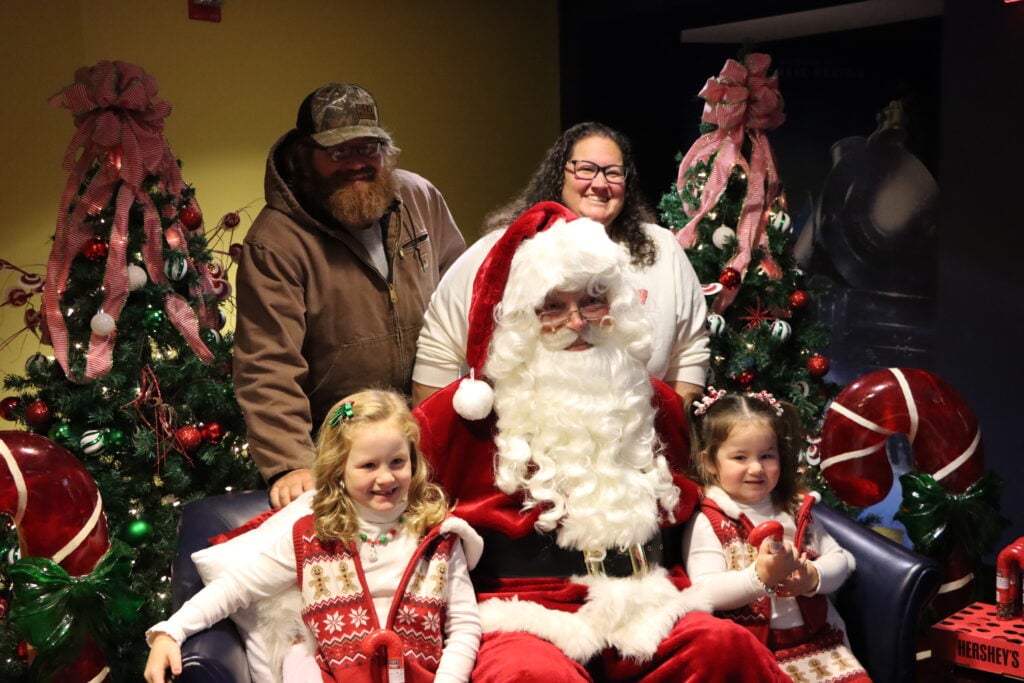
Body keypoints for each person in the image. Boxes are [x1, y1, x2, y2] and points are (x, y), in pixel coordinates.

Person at [413, 202, 788, 682]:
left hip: (647, 599)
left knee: (723, 647)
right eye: (553, 305)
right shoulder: (461, 416)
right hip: (522, 612)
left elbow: (706, 500)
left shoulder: (655, 403)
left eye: (593, 300)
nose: (576, 321)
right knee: (530, 677)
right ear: (522, 320)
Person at [144, 389, 483, 683]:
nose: (386, 478)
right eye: (368, 466)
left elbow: (464, 627)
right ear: (339, 471)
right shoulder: (312, 537)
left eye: (397, 462)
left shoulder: (439, 537)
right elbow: (235, 588)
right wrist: (171, 631)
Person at [234, 82, 466, 508]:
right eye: (339, 152)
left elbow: (462, 295)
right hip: (344, 450)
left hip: (431, 432)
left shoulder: (419, 197)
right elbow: (268, 364)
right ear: (305, 156)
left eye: (370, 148)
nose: (358, 163)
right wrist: (291, 464)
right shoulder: (276, 242)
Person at [412, 121, 708, 408]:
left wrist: (675, 434)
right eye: (586, 169)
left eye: (614, 173)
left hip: (637, 441)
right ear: (559, 175)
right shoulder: (501, 250)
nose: (600, 183)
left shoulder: (662, 249)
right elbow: (438, 347)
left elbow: (690, 353)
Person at [683, 388, 870, 682]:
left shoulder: (795, 510)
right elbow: (704, 592)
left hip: (818, 644)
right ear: (709, 462)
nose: (756, 468)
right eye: (740, 457)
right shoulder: (709, 522)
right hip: (753, 653)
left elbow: (840, 560)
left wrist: (813, 577)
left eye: (767, 456)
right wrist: (759, 578)